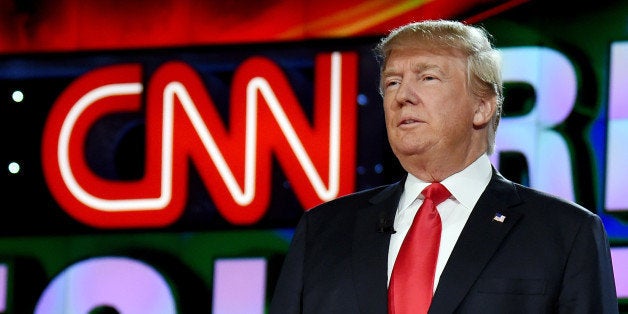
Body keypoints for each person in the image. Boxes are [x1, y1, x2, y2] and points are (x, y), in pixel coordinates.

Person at [269, 20, 617, 314]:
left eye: (428, 78)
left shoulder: (566, 233)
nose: (402, 95)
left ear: (482, 107)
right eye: (392, 82)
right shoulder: (323, 230)